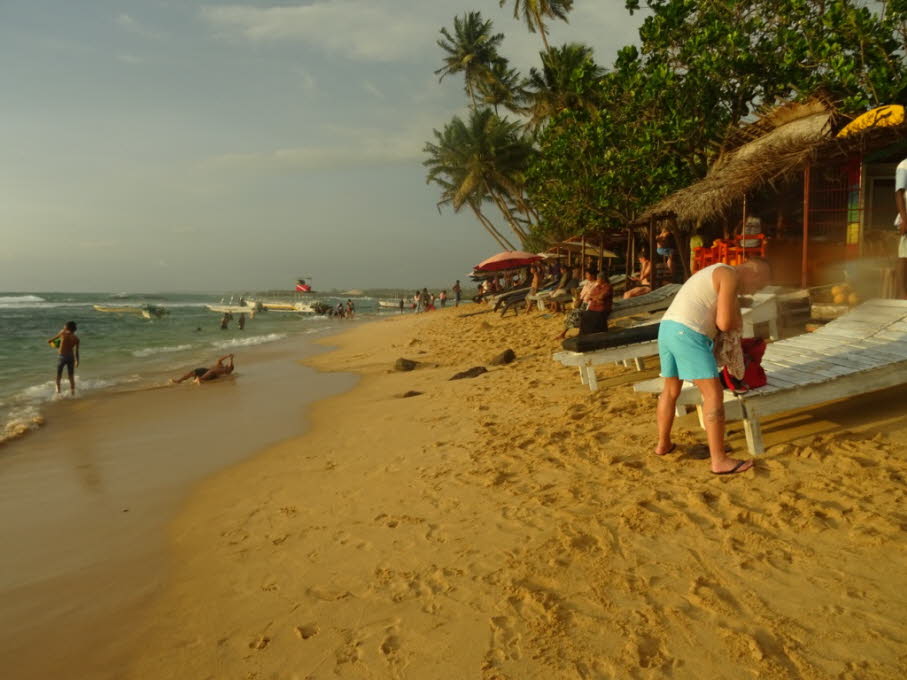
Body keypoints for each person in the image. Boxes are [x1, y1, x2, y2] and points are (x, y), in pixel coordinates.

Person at [653, 258, 771, 475]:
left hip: (667, 329)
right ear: (754, 272)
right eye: (758, 285)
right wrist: (736, 324)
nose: (753, 292)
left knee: (670, 390)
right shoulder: (729, 275)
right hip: (688, 334)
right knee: (713, 395)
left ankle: (663, 444)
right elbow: (724, 323)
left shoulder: (715, 271)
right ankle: (719, 460)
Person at [48, 321, 80, 395]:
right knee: (71, 376)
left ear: (67, 328)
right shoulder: (76, 338)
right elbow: (76, 351)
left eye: (64, 326)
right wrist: (77, 361)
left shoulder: (62, 333)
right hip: (71, 358)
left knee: (59, 375)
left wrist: (53, 344)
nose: (63, 327)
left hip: (62, 357)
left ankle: (58, 392)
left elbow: (51, 340)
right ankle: (73, 393)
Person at [895, 156, 907, 297]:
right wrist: (904, 219)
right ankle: (903, 295)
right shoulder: (904, 165)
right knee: (904, 256)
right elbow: (899, 193)